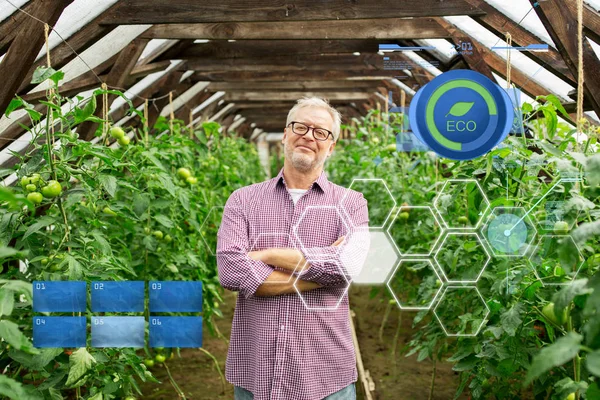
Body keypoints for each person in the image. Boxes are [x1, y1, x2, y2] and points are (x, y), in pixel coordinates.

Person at [217, 97, 369, 400]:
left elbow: (349, 266)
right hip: (256, 371)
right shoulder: (242, 200)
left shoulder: (351, 203)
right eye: (301, 126)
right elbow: (231, 271)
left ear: (332, 146)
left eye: (321, 132)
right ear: (286, 134)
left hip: (326, 376)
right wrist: (324, 270)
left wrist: (268, 256)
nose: (309, 136)